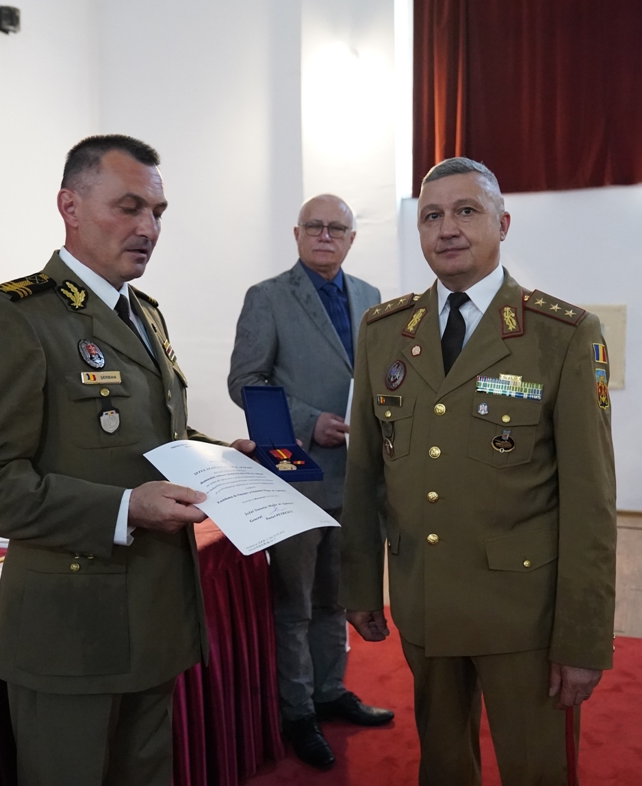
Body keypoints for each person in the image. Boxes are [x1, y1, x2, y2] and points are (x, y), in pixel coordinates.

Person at [0, 134, 254, 786]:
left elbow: (152, 433)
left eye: (158, 213)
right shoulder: (15, 318)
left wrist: (223, 458)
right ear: (71, 206)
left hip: (153, 617)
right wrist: (125, 508)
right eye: (129, 207)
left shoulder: (143, 314)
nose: (148, 229)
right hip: (71, 635)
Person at [341, 157, 616, 785]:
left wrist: (582, 636)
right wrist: (359, 584)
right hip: (424, 599)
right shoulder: (385, 332)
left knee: (537, 770)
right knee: (442, 767)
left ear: (503, 223)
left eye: (466, 211)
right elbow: (364, 472)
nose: (448, 229)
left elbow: (591, 501)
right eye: (431, 216)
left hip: (523, 614)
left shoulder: (562, 334)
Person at [228, 194, 394, 770]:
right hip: (294, 475)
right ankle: (297, 712)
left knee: (335, 599)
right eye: (315, 227)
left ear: (351, 239)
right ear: (297, 234)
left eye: (337, 228)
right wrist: (307, 422)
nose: (326, 236)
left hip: (354, 478)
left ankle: (329, 691)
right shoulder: (268, 297)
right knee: (294, 604)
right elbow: (245, 381)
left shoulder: (371, 297)